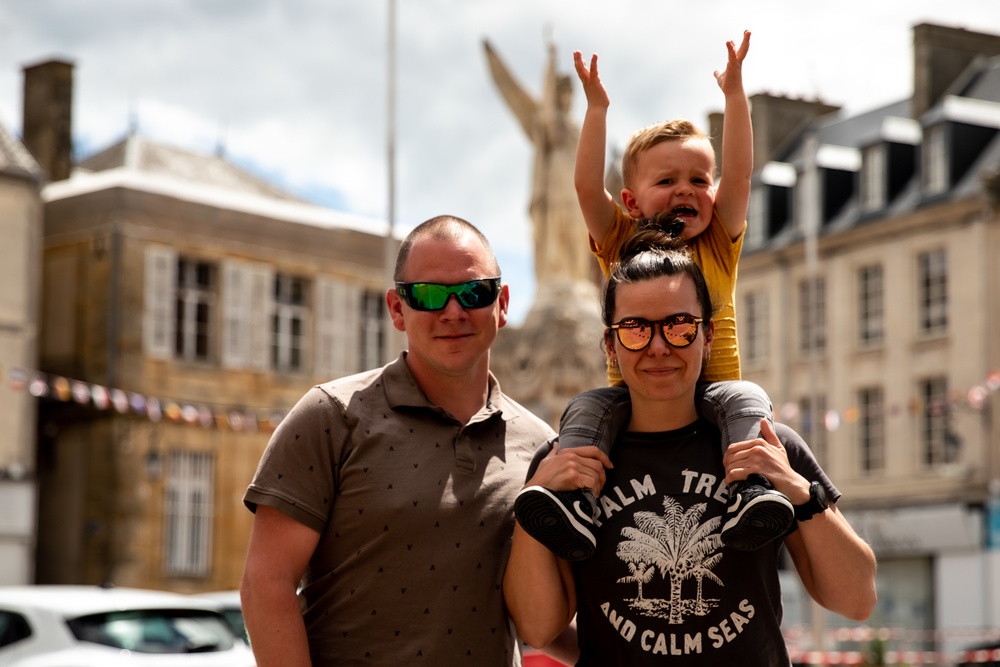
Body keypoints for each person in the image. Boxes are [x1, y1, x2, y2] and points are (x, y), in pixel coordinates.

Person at [504, 229, 877, 665]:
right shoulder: (568, 463)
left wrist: (798, 492)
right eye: (635, 329)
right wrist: (537, 505)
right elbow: (537, 627)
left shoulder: (767, 446)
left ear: (708, 336)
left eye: (679, 327)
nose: (659, 346)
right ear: (610, 344)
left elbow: (857, 601)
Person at [514, 31, 793, 559]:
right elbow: (581, 188)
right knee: (586, 410)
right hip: (633, 395)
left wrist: (735, 96)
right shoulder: (620, 243)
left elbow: (740, 172)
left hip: (713, 391)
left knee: (749, 401)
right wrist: (596, 111)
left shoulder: (718, 243)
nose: (687, 189)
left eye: (698, 179)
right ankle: (573, 503)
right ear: (631, 201)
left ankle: (749, 493)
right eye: (667, 180)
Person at [239, 215, 557, 667]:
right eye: (428, 295)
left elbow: (547, 620)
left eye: (473, 292)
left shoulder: (541, 445)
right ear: (396, 309)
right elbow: (265, 583)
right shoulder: (330, 416)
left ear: (502, 303)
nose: (453, 311)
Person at [483, 38, 596, 286]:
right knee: (556, 223)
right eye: (563, 94)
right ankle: (557, 275)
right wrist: (552, 60)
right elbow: (542, 104)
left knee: (578, 227)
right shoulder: (548, 122)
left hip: (575, 179)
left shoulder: (576, 125)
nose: (568, 99)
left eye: (570, 94)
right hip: (554, 179)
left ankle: (575, 277)